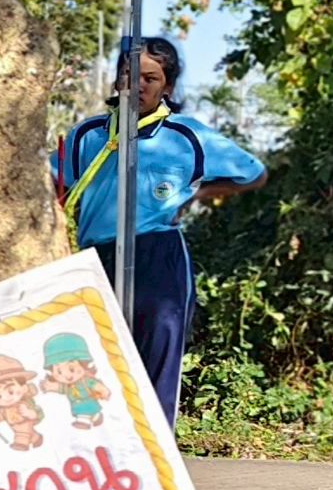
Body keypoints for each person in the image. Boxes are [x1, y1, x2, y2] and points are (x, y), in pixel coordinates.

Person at [52, 36, 264, 421]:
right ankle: (101, 457)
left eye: (151, 78)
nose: (139, 86)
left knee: (158, 363)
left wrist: (199, 196)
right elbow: (52, 182)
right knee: (93, 364)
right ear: (118, 81)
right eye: (130, 75)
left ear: (167, 86)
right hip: (97, 258)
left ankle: (157, 456)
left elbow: (253, 172)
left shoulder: (186, 136)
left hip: (158, 258)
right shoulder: (90, 135)